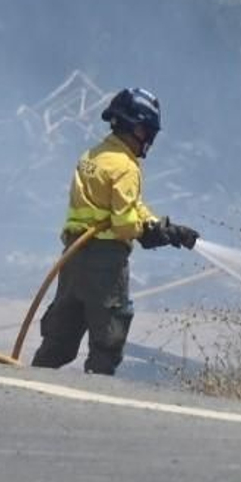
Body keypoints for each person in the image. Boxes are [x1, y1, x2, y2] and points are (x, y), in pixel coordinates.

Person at [30, 87, 199, 376]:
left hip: (73, 257)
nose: (149, 140)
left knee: (60, 338)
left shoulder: (93, 156)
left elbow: (128, 207)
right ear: (136, 129)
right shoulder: (126, 167)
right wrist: (149, 233)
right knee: (107, 340)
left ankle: (29, 383)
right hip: (104, 264)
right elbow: (123, 225)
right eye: (148, 132)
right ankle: (97, 400)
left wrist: (161, 226)